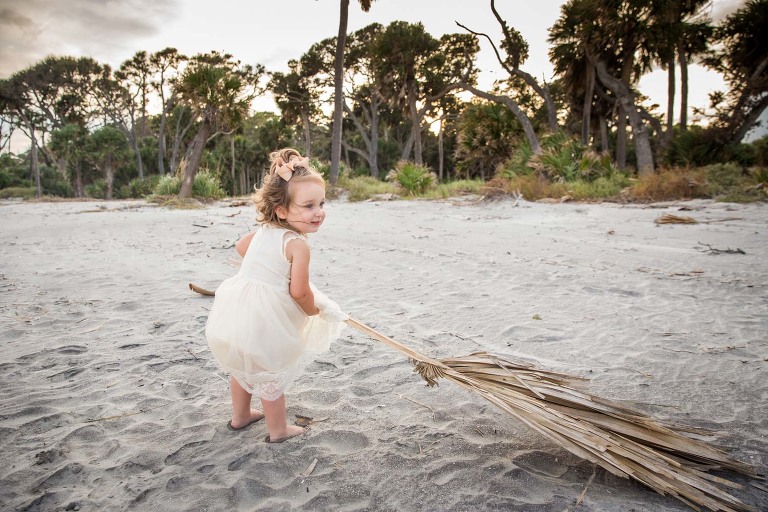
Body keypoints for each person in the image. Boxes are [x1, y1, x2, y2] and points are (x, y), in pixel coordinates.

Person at [206, 148, 347, 443]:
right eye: (308, 206)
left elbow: (241, 246)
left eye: (321, 203)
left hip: (237, 309)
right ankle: (278, 430)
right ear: (282, 210)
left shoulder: (264, 231)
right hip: (266, 317)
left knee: (243, 365)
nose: (319, 212)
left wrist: (263, 268)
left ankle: (240, 416)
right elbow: (299, 291)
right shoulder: (297, 245)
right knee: (270, 372)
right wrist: (314, 310)